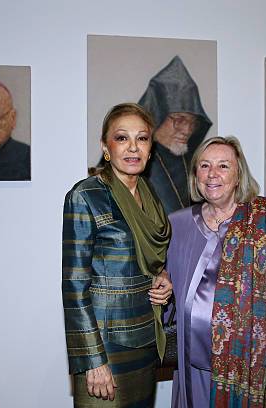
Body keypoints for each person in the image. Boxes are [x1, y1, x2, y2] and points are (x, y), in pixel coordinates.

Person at [167, 136, 266, 407]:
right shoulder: (178, 224)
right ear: (195, 175)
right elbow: (167, 283)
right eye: (204, 166)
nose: (212, 174)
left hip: (257, 359)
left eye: (223, 166)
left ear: (238, 176)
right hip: (194, 357)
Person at [62, 103, 173, 407]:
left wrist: (162, 278)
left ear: (151, 147)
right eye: (122, 138)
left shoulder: (150, 195)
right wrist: (93, 360)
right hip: (106, 347)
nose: (133, 147)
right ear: (105, 146)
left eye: (143, 138)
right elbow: (74, 286)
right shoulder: (86, 196)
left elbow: (148, 261)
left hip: (146, 340)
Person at [138, 55, 213, 214]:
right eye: (179, 120)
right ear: (156, 116)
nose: (187, 131)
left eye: (193, 123)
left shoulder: (194, 161)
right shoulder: (132, 160)